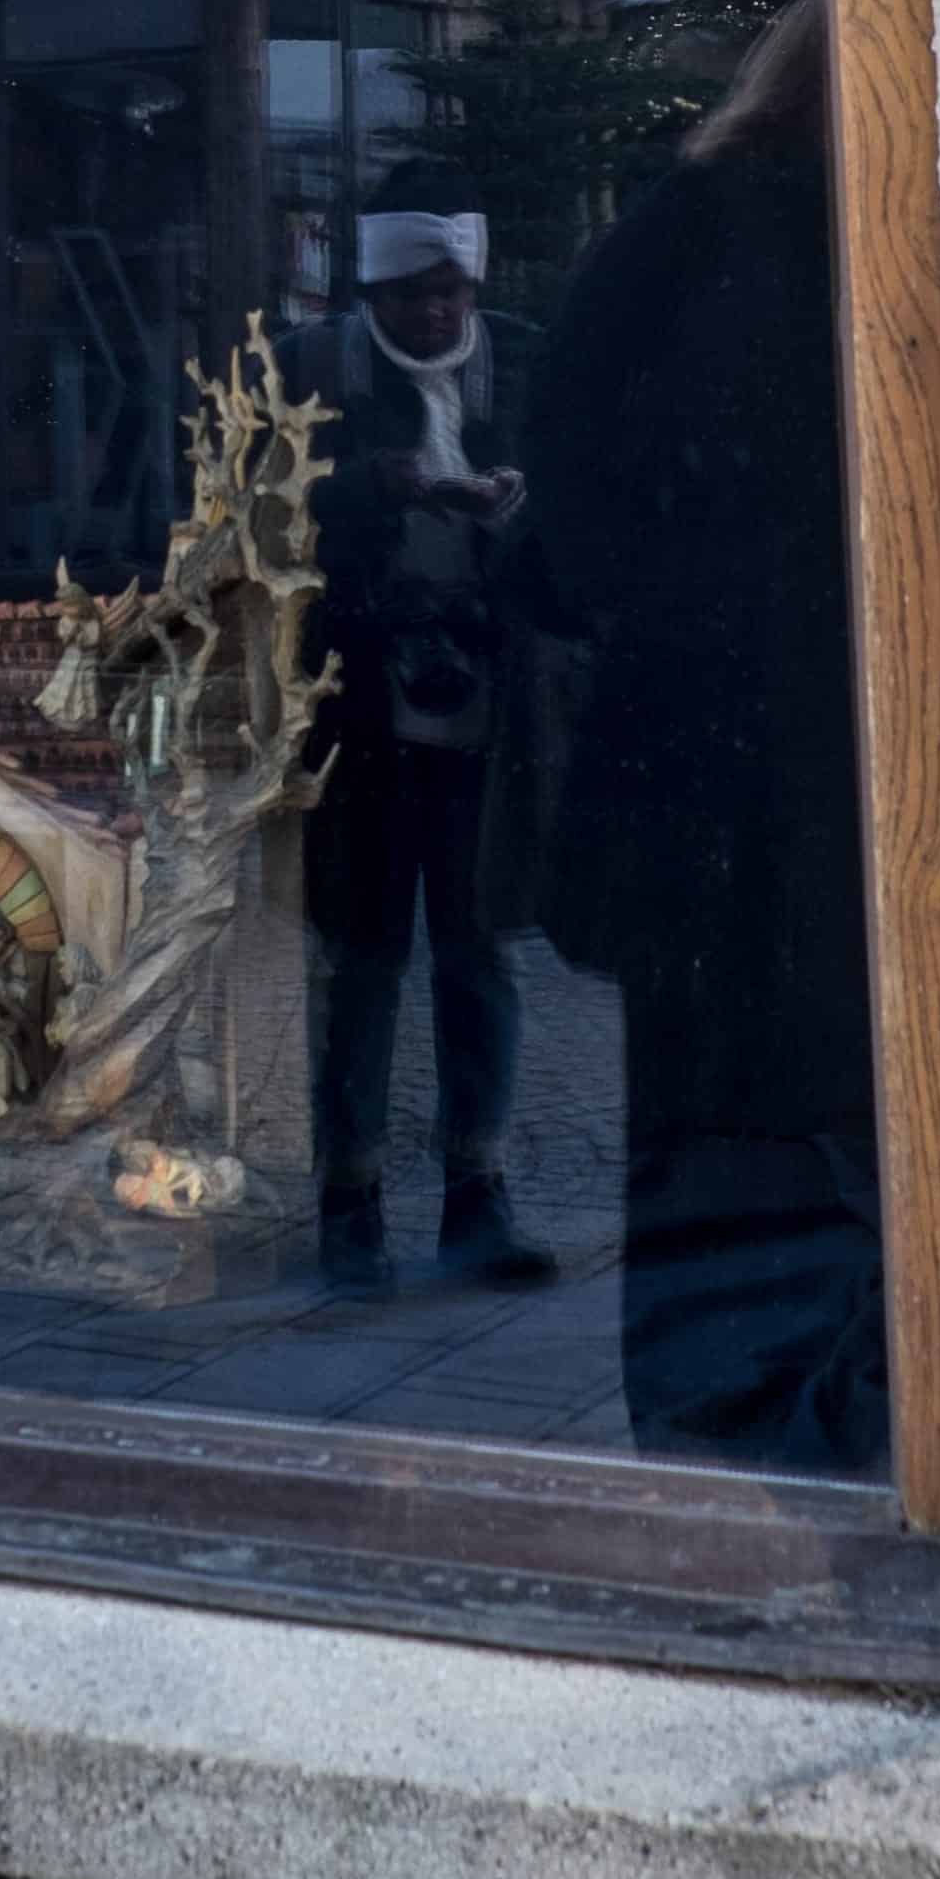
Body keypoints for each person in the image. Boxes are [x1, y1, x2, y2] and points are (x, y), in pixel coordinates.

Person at [521, 0, 885, 1469]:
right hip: (783, 781)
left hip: (693, 785)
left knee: (703, 1121)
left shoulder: (670, 236)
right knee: (806, 1121)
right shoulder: (799, 244)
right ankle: (773, 1434)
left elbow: (569, 490)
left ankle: (713, 1430)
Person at [289, 168, 557, 1302]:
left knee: (480, 956)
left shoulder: (521, 360)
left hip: (486, 707)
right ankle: (348, 1207)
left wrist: (515, 502)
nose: (436, 314)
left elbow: (579, 501)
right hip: (355, 702)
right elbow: (244, 503)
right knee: (360, 961)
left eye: (451, 292)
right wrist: (370, 489)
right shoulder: (310, 370)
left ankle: (477, 1197)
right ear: (371, 289)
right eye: (411, 295)